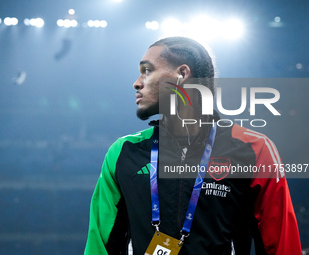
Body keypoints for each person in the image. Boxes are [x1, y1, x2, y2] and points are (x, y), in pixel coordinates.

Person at [84, 37, 302, 254]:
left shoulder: (254, 150)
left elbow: (283, 245)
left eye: (147, 70)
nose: (137, 82)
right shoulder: (123, 153)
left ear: (181, 75)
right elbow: (99, 246)